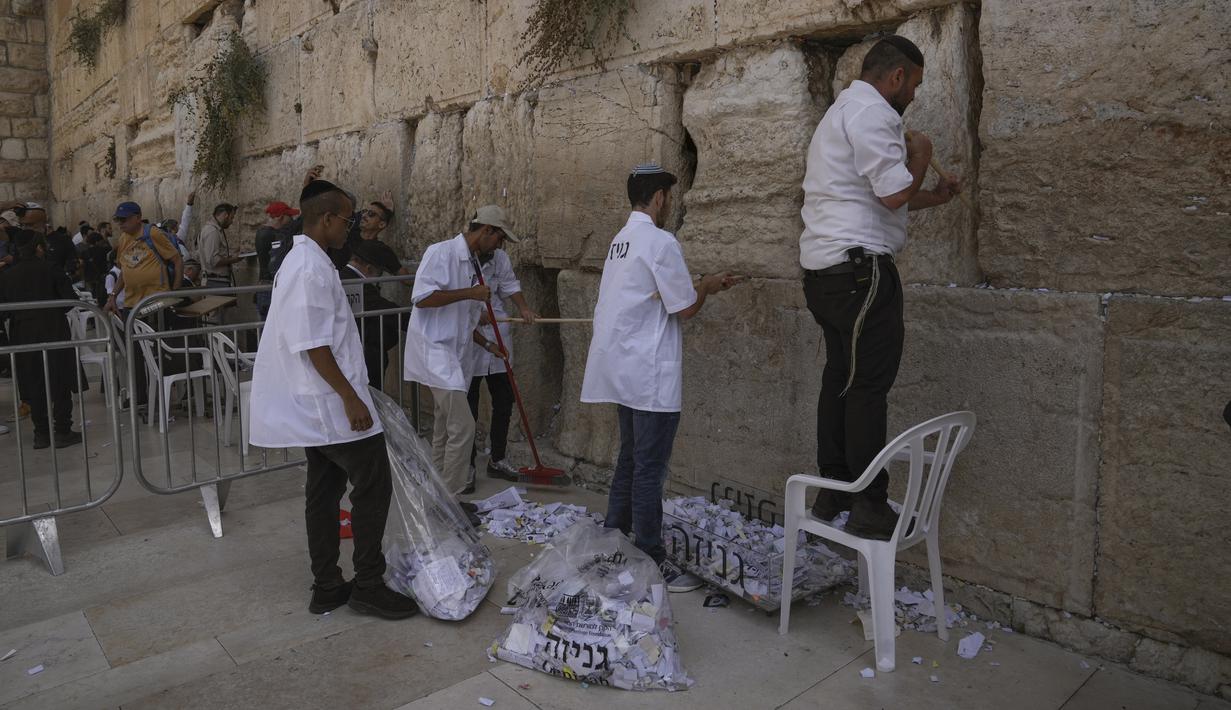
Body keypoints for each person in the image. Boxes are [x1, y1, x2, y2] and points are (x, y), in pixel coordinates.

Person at [799, 36, 962, 540]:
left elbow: (879, 197)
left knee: (841, 380)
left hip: (832, 272)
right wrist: (924, 154)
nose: (913, 94)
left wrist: (933, 192)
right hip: (861, 274)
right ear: (895, 77)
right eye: (914, 83)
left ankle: (834, 488)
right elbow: (893, 193)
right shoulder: (872, 114)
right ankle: (868, 503)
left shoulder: (840, 114)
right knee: (867, 387)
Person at [248, 179, 416, 620]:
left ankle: (327, 586)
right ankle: (367, 584)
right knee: (372, 482)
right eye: (347, 220)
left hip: (319, 402)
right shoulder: (307, 267)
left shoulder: (307, 260)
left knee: (323, 491)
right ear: (326, 218)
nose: (351, 228)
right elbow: (313, 344)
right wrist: (350, 398)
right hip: (327, 402)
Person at [580, 163, 741, 592]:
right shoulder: (659, 240)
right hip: (649, 374)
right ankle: (650, 555)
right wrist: (705, 286)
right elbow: (683, 308)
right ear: (658, 199)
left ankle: (615, 535)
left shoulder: (621, 240)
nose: (669, 204)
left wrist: (702, 286)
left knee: (631, 458)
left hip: (623, 368)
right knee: (649, 467)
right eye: (668, 197)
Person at [404, 205, 517, 498]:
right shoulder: (440, 253)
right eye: (500, 238)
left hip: (454, 357)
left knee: (444, 428)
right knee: (464, 426)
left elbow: (465, 321)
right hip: (435, 353)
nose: (500, 246)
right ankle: (451, 498)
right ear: (487, 230)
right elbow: (423, 298)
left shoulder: (474, 264)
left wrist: (488, 344)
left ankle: (437, 493)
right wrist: (470, 293)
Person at [463, 244, 538, 482]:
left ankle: (497, 458)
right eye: (496, 236)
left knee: (504, 400)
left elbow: (510, 285)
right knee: (469, 406)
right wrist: (474, 315)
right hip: (471, 336)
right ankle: (468, 465)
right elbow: (454, 298)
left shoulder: (500, 257)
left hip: (498, 333)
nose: (499, 243)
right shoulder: (460, 257)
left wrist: (524, 308)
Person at [0, 237, 83, 449]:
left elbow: (5, 310)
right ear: (38, 248)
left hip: (23, 333)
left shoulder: (7, 276)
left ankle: (41, 434)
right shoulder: (51, 268)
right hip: (53, 329)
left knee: (33, 381)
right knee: (60, 380)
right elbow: (69, 299)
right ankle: (63, 430)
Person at [341, 239, 401, 389]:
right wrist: (417, 319)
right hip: (365, 354)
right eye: (379, 272)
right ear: (368, 268)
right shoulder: (356, 284)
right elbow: (384, 309)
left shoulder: (343, 275)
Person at [255, 200, 299, 319]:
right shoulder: (271, 235)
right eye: (289, 216)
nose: (291, 220)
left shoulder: (263, 232)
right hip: (270, 288)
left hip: (265, 286)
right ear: (280, 216)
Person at [197, 203, 239, 288]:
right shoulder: (212, 231)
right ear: (225, 215)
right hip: (215, 282)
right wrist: (234, 259)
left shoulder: (214, 230)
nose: (232, 222)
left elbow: (218, 253)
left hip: (217, 281)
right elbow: (213, 260)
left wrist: (232, 252)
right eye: (231, 218)